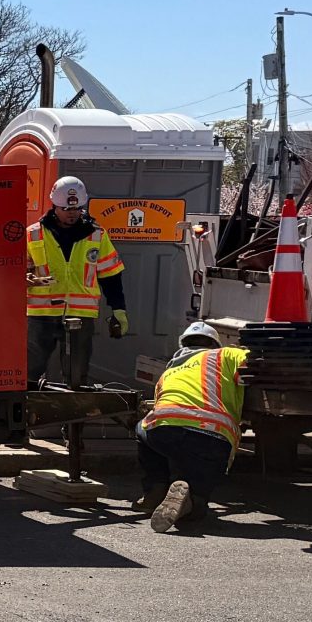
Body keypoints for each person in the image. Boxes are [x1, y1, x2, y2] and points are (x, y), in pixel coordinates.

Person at [137, 321, 249, 535]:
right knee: (201, 485)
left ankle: (155, 490)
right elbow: (257, 361)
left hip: (165, 430)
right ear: (214, 344)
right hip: (215, 436)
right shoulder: (225, 355)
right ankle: (191, 502)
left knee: (143, 428)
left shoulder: (169, 372)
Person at [25, 175, 128, 388]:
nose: (72, 214)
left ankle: (72, 421)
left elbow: (110, 275)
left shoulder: (96, 235)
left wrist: (119, 309)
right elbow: (13, 271)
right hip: (40, 315)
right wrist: (24, 279)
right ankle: (25, 417)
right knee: (29, 374)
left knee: (76, 378)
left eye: (77, 209)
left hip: (80, 315)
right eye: (66, 209)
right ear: (55, 206)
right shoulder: (33, 234)